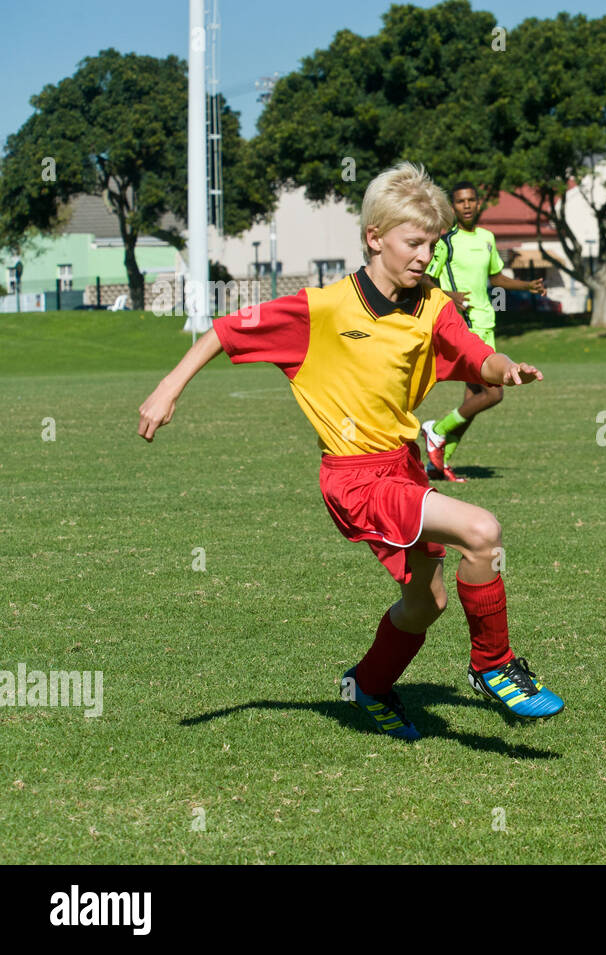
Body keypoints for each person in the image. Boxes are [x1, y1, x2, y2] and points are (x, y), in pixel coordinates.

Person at [137, 162, 564, 740]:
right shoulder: (326, 308)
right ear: (374, 237)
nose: (423, 255)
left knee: (427, 602)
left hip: (403, 469)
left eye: (431, 244)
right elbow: (226, 330)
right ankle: (493, 665)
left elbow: (469, 351)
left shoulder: (433, 303)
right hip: (356, 479)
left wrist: (503, 366)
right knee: (482, 531)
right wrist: (166, 390)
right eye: (413, 243)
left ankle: (368, 685)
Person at [421, 181, 546, 481]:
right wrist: (450, 297)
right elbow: (425, 279)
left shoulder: (487, 238)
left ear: (478, 204)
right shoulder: (445, 242)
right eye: (460, 201)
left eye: (471, 200)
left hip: (486, 324)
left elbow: (497, 278)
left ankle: (438, 463)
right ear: (452, 207)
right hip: (466, 326)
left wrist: (526, 286)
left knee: (472, 401)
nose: (466, 205)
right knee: (493, 394)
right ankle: (436, 430)